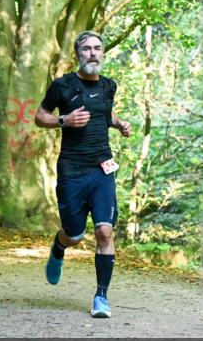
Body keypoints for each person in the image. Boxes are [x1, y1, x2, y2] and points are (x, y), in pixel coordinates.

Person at [34, 30, 131, 318]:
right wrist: (64, 120)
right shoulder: (63, 85)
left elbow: (105, 113)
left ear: (103, 53)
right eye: (87, 48)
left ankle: (101, 296)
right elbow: (40, 116)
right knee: (74, 235)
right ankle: (59, 246)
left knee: (105, 231)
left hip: (102, 169)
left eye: (97, 48)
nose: (92, 53)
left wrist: (119, 124)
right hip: (72, 172)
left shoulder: (109, 86)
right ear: (78, 54)